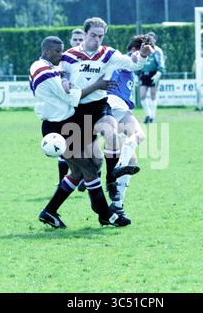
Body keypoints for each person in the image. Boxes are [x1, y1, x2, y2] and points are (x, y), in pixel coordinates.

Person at [30, 36, 131, 229]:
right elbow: (73, 98)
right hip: (58, 128)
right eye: (59, 51)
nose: (62, 54)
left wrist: (65, 79)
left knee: (81, 169)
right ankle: (106, 215)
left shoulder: (43, 67)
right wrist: (97, 85)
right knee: (88, 169)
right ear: (48, 51)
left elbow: (63, 82)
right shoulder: (45, 72)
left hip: (64, 124)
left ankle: (49, 211)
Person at [60, 17, 154, 202]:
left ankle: (111, 181)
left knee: (111, 135)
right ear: (85, 34)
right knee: (89, 165)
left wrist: (142, 55)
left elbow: (133, 65)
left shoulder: (109, 54)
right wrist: (63, 81)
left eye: (100, 36)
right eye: (93, 35)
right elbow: (61, 74)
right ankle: (52, 208)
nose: (97, 39)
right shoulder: (69, 56)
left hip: (101, 106)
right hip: (77, 110)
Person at [105, 34, 152, 218]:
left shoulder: (123, 65)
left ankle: (117, 204)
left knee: (132, 159)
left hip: (115, 107)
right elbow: (134, 58)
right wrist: (139, 54)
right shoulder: (127, 60)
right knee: (139, 135)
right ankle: (118, 167)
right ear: (135, 49)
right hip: (116, 104)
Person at [57, 28, 88, 192]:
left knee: (85, 144)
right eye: (75, 39)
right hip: (67, 107)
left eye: (80, 39)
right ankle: (61, 180)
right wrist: (63, 81)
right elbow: (60, 75)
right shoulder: (65, 57)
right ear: (70, 41)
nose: (77, 42)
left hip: (86, 107)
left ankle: (84, 176)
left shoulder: (91, 57)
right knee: (63, 145)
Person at [138, 31, 165, 124]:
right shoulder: (142, 49)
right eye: (147, 39)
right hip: (144, 73)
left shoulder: (157, 51)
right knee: (142, 95)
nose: (149, 40)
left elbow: (161, 63)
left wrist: (159, 72)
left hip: (154, 73)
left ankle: (152, 116)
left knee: (153, 94)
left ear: (155, 40)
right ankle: (148, 115)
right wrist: (136, 73)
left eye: (151, 39)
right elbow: (138, 61)